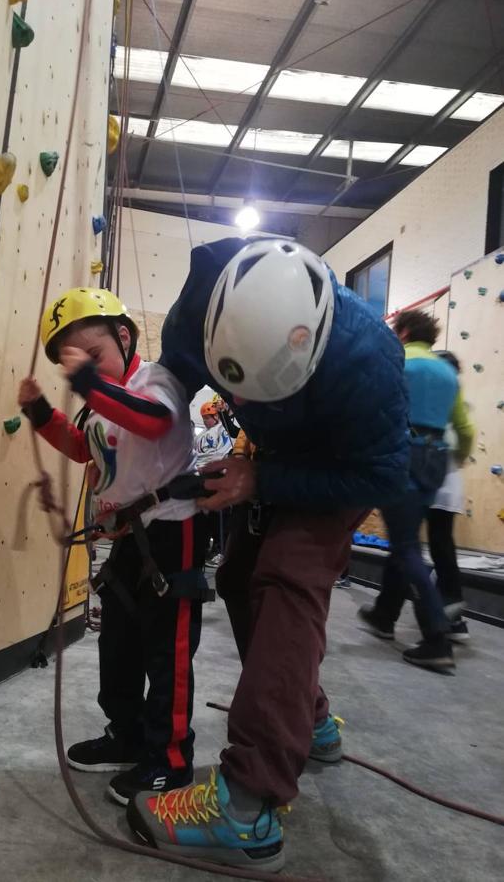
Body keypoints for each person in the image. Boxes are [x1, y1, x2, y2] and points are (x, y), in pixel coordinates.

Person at [126, 236, 409, 873]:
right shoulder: (203, 296)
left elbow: (383, 477)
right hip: (275, 454)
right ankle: (310, 721)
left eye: (261, 395)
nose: (244, 408)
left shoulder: (369, 361)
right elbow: (170, 384)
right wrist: (133, 470)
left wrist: (265, 482)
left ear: (307, 347)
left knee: (289, 577)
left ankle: (246, 808)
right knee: (239, 576)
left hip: (338, 470)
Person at [18, 288, 210, 807]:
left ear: (124, 338)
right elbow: (85, 449)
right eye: (75, 366)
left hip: (173, 530)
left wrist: (87, 383)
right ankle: (125, 733)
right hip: (127, 538)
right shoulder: (99, 403)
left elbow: (150, 420)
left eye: (94, 357)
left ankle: (169, 761)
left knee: (165, 650)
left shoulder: (157, 382)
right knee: (118, 642)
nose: (89, 374)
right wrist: (41, 414)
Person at [357, 311, 473, 670]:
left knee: (406, 546)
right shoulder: (447, 373)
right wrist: (456, 457)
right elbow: (465, 429)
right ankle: (384, 615)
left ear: (404, 331)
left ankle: (436, 637)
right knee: (404, 537)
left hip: (402, 455)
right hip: (436, 461)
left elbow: (371, 411)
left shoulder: (399, 361)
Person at [426, 351, 474, 641]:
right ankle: (451, 615)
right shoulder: (456, 397)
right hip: (445, 481)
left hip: (435, 480)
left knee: (437, 548)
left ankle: (451, 618)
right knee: (440, 546)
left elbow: (458, 436)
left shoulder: (443, 395)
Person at [195, 401, 231, 562]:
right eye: (203, 418)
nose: (204, 421)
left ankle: (220, 547)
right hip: (201, 475)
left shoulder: (222, 430)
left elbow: (221, 452)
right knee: (204, 513)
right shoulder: (200, 435)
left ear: (215, 416)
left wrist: (208, 465)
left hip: (215, 475)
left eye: (207, 418)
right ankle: (205, 546)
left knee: (218, 514)